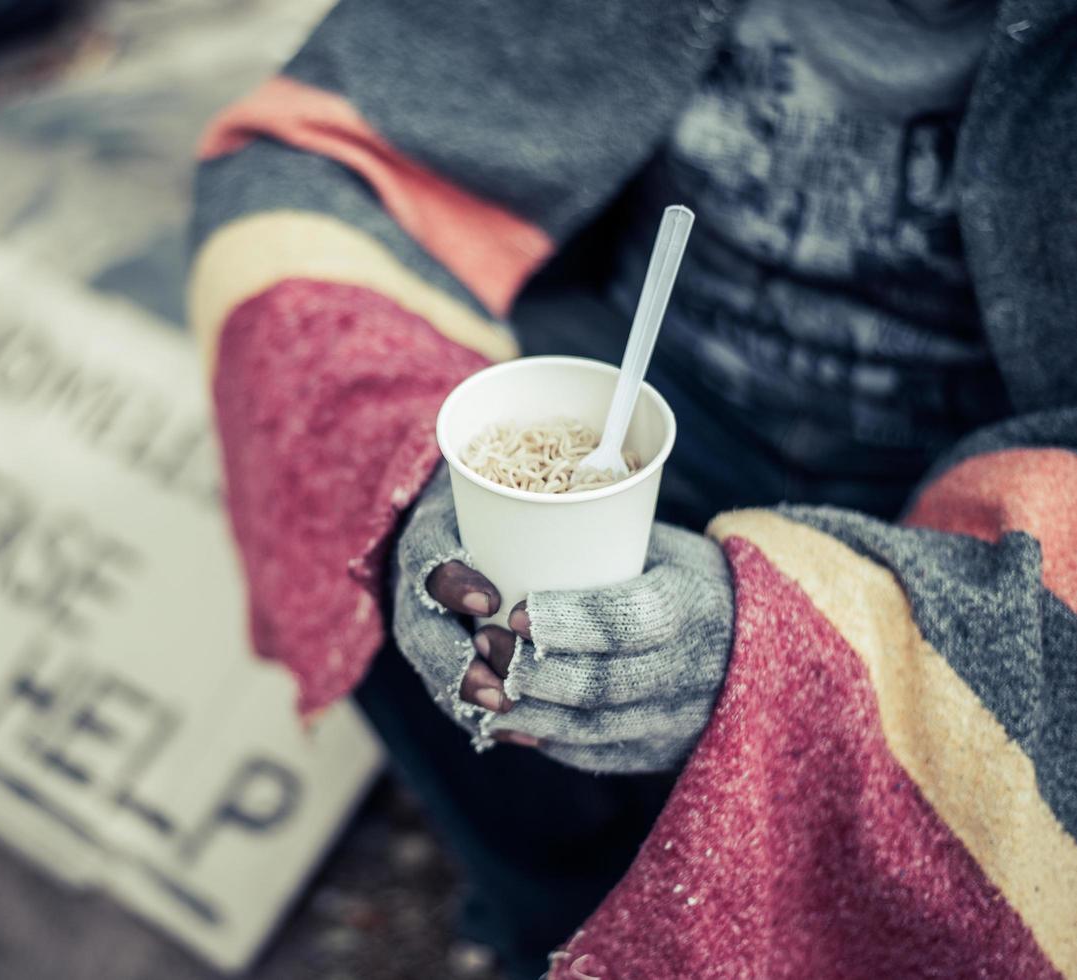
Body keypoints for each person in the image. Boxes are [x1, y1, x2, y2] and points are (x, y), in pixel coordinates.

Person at [189, 0, 1077, 976]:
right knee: (374, 511)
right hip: (656, 372)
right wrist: (407, 457)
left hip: (993, 474)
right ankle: (557, 908)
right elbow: (316, 158)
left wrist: (809, 646)